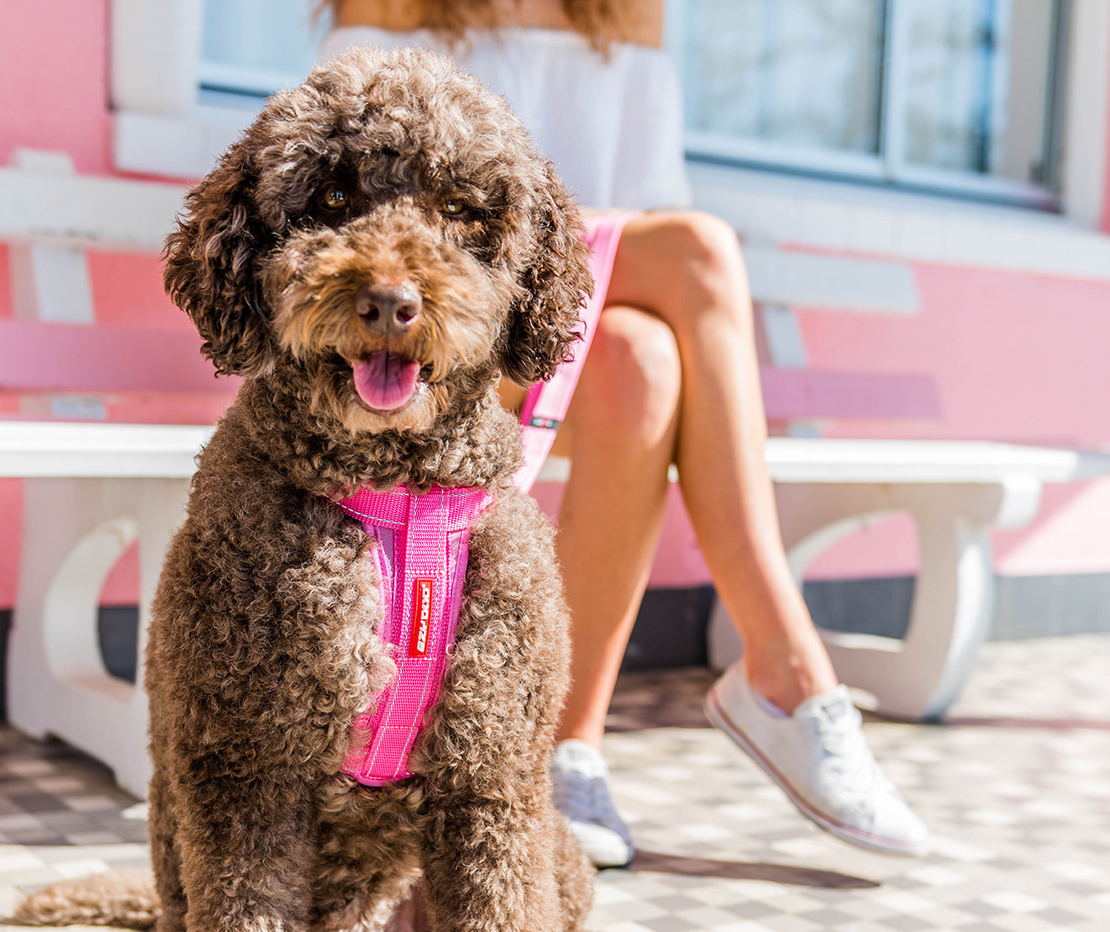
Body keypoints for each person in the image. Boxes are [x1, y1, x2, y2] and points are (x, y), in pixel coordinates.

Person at [318, 0, 930, 864]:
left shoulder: (624, 20)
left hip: (571, 334)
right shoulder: (392, 9)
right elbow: (353, 215)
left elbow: (647, 214)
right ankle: (786, 671)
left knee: (642, 360)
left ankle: (561, 749)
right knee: (701, 252)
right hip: (433, 335)